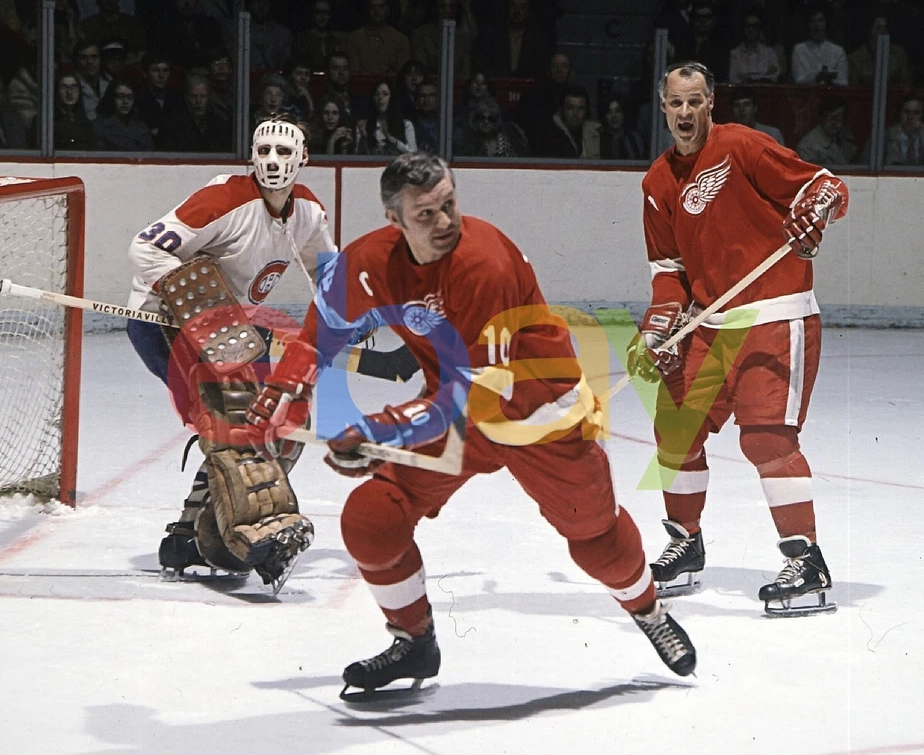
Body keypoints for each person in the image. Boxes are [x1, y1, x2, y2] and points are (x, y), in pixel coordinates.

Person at [243, 152, 697, 698]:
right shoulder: (371, 261)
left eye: (449, 205)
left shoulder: (484, 263)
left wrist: (382, 430)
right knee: (372, 519)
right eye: (426, 215)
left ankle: (648, 610)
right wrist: (289, 385)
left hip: (536, 416)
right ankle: (414, 640)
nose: (445, 223)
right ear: (395, 221)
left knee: (596, 543)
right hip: (456, 408)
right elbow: (328, 321)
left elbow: (477, 394)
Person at [629, 61, 849, 617]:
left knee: (766, 440)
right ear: (663, 107)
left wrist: (811, 212)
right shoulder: (657, 182)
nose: (684, 112)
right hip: (711, 324)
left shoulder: (742, 146)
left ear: (710, 104)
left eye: (694, 102)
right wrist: (663, 319)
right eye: (675, 103)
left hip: (776, 316)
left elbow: (827, 186)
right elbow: (668, 270)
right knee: (676, 427)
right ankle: (685, 541)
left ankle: (806, 559)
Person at [125, 113, 334, 583]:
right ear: (251, 156)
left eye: (284, 152)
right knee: (234, 427)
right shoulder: (224, 200)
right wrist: (196, 309)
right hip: (167, 326)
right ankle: (220, 538)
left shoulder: (307, 213)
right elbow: (144, 249)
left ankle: (194, 536)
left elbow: (327, 268)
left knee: (276, 423)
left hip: (236, 333)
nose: (273, 161)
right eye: (264, 151)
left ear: (304, 157)